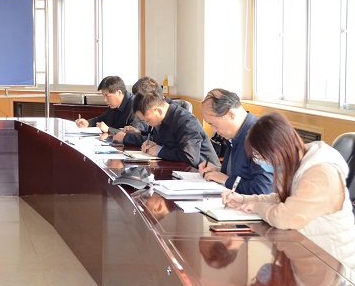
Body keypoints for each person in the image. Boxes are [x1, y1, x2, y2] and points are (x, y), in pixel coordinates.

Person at [222, 112, 355, 263]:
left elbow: (284, 217)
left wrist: (256, 207)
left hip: (331, 262)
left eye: (260, 156)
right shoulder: (297, 162)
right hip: (307, 252)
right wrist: (243, 199)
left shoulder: (320, 172)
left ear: (277, 148)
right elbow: (282, 198)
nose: (259, 162)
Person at [198, 89, 273, 195]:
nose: (214, 130)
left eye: (213, 124)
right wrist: (217, 170)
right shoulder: (234, 135)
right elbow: (244, 173)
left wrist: (227, 181)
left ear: (231, 114)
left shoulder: (260, 136)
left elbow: (263, 189)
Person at [133, 90, 220, 168]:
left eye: (148, 120)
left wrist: (159, 150)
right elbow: (168, 146)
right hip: (178, 170)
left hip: (204, 173)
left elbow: (190, 157)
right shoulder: (159, 121)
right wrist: (153, 145)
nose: (147, 124)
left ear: (159, 111)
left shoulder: (187, 121)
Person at [112, 76, 168, 145]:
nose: (137, 103)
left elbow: (157, 141)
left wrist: (126, 138)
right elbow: (153, 135)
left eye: (139, 99)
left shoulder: (168, 113)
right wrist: (139, 132)